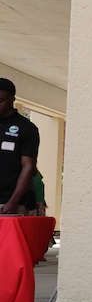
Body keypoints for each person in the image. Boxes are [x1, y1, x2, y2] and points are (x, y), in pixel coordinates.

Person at [0, 78, 40, 215]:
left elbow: (28, 166)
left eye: (1, 101)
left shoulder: (26, 128)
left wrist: (13, 201)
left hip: (9, 202)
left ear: (12, 99)